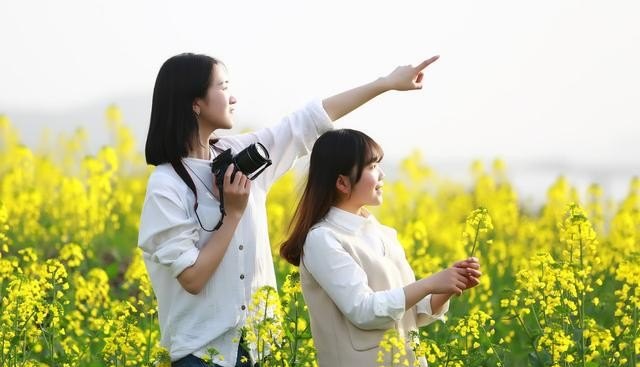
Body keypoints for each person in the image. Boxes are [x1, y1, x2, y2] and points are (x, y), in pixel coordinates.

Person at [138, 52, 441, 367]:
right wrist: (234, 214)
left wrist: (386, 83)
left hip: (262, 346)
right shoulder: (166, 186)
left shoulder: (241, 155)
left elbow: (308, 121)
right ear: (194, 103)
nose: (233, 97)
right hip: (201, 355)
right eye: (223, 87)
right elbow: (192, 278)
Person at [280, 129, 482, 367]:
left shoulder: (384, 234)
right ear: (342, 182)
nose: (382, 174)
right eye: (372, 166)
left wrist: (448, 286)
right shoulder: (323, 239)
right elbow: (364, 311)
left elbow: (414, 313)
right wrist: (429, 283)